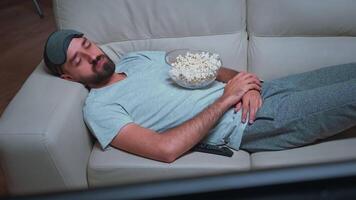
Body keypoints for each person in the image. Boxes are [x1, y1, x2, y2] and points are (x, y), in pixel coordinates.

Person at [44, 29, 356, 163]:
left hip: (262, 91)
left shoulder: (136, 59)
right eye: (78, 60)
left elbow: (210, 69)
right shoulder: (99, 107)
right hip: (249, 122)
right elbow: (165, 149)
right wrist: (226, 100)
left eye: (86, 45)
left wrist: (244, 84)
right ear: (69, 77)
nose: (92, 56)